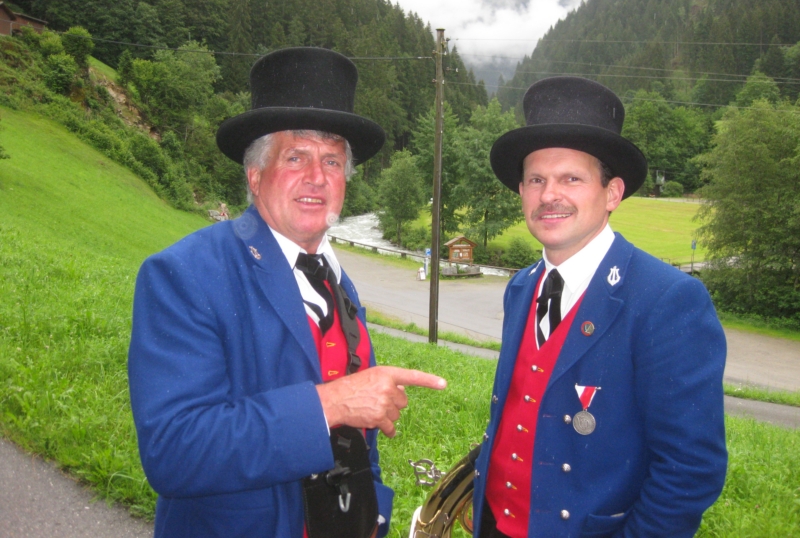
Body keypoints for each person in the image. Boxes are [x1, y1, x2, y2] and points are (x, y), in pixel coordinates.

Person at [128, 47, 446, 538]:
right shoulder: (184, 273)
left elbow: (359, 432)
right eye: (296, 157)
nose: (317, 177)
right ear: (255, 176)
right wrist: (330, 405)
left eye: (332, 161)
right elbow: (173, 451)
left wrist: (372, 515)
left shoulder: (338, 280)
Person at [471, 76, 727, 538]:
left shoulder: (669, 300)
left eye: (571, 178)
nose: (549, 195)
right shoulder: (521, 287)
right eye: (536, 180)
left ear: (612, 193)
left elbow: (690, 470)